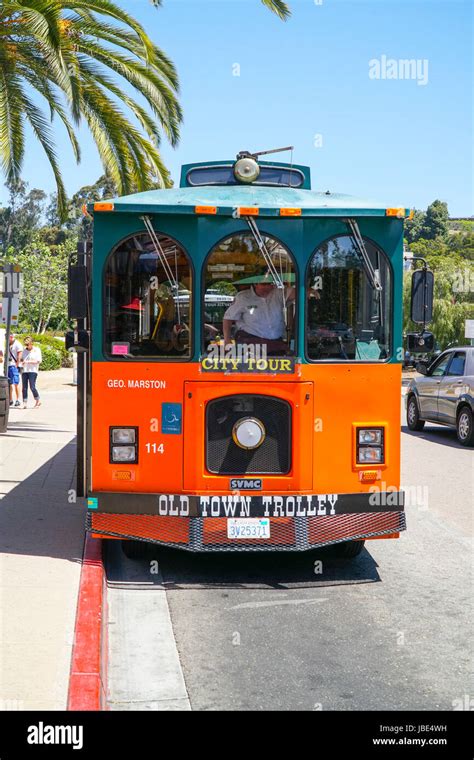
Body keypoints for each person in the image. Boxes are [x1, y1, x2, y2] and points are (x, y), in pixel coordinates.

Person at [222, 273, 296, 354]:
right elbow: (228, 319)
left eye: (271, 284)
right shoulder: (243, 297)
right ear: (255, 284)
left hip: (276, 343)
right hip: (250, 342)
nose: (268, 287)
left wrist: (307, 288)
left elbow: (298, 292)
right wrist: (227, 341)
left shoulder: (278, 294)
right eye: (264, 284)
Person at [21, 337, 42, 409]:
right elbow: (21, 359)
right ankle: (24, 402)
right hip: (25, 370)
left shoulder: (37, 350)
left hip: (33, 370)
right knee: (24, 387)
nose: (27, 346)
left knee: (32, 387)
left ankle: (37, 400)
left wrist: (27, 362)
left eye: (28, 344)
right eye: (26, 345)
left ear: (31, 343)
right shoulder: (24, 351)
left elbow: (38, 361)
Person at [8, 333, 23, 407]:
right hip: (8, 365)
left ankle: (18, 399)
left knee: (16, 383)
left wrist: (17, 365)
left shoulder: (17, 344)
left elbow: (19, 355)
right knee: (9, 383)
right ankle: (10, 399)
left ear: (11, 337)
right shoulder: (7, 343)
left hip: (14, 366)